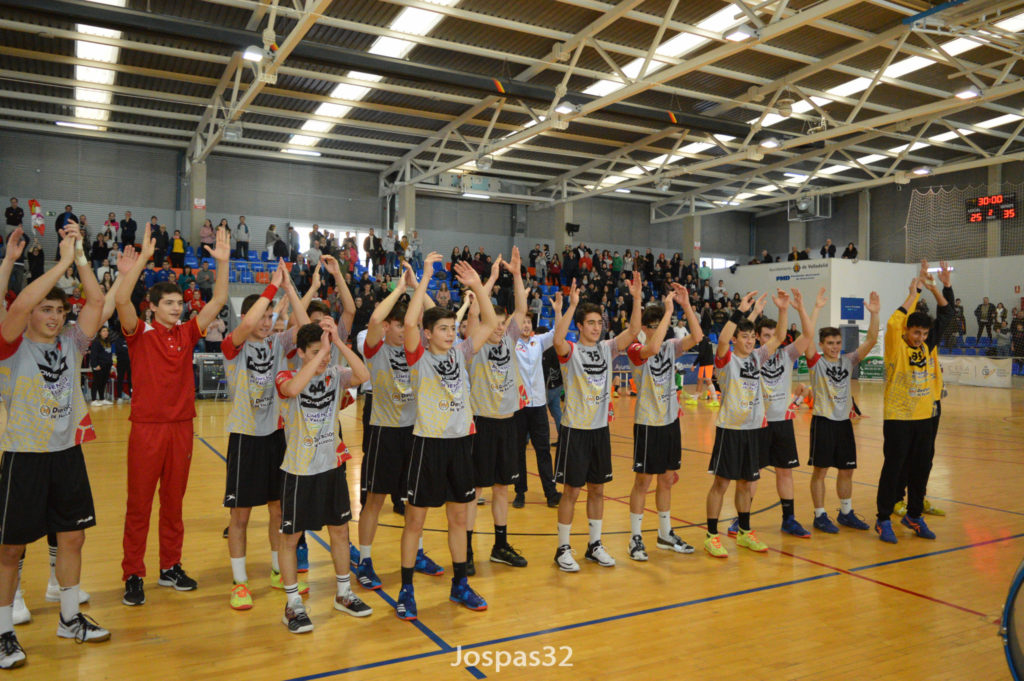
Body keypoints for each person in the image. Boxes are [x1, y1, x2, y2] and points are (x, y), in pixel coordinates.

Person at [0, 221, 109, 669]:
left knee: (73, 537)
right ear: (30, 314)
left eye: (58, 310)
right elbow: (22, 299)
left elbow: (97, 301)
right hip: (25, 457)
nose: (52, 315)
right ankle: (4, 631)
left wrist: (80, 255)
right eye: (45, 309)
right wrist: (59, 261)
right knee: (9, 549)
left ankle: (69, 618)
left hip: (66, 455)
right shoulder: (9, 346)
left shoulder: (71, 345)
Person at [116, 224, 231, 606]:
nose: (177, 307)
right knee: (139, 504)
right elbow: (121, 302)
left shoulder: (186, 333)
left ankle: (170, 566)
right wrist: (141, 263)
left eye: (179, 303)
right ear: (153, 306)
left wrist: (224, 263)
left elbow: (218, 300)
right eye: (169, 303)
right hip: (147, 430)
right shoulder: (139, 332)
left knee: (174, 502)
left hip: (182, 428)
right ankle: (133, 572)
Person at [394, 253, 496, 621]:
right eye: (444, 329)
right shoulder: (417, 356)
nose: (451, 333)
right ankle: (406, 589)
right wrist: (423, 277)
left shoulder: (462, 352)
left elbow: (491, 321)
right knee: (415, 522)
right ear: (428, 334)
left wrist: (476, 287)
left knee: (458, 520)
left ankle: (459, 584)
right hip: (427, 446)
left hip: (459, 446)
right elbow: (408, 321)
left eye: (453, 328)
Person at [274, 319, 372, 632]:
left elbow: (363, 375)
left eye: (326, 351)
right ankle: (292, 605)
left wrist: (339, 345)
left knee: (341, 532)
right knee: (290, 539)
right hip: (299, 472)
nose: (325, 357)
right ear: (300, 352)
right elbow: (292, 389)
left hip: (331, 468)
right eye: (316, 351)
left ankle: (343, 593)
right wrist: (321, 355)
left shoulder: (335, 374)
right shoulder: (286, 375)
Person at [221, 260, 308, 611]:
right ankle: (239, 583)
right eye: (261, 316)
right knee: (240, 516)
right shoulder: (234, 346)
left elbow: (304, 326)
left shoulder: (277, 344)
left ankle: (277, 571)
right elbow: (244, 324)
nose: (265, 323)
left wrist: (289, 289)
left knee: (277, 510)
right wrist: (270, 288)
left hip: (275, 437)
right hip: (245, 437)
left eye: (270, 318)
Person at [354, 262, 444, 592]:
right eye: (400, 325)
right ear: (391, 326)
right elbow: (375, 319)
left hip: (415, 432)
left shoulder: (417, 348)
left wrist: (421, 284)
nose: (407, 330)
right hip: (384, 431)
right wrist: (401, 288)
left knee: (413, 501)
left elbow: (439, 318)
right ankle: (365, 560)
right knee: (374, 500)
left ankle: (417, 553)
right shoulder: (374, 347)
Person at [552, 274, 642, 572]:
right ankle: (563, 548)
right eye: (590, 322)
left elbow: (634, 331)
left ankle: (594, 544)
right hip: (575, 430)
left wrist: (637, 298)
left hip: (599, 431)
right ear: (580, 326)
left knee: (598, 490)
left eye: (598, 322)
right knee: (571, 492)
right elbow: (557, 339)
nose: (596, 326)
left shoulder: (607, 348)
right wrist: (571, 306)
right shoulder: (571, 351)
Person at [727, 287, 823, 540]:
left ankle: (788, 519)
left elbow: (809, 334)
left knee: (785, 471)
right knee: (750, 476)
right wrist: (753, 312)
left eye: (775, 335)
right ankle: (741, 519)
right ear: (758, 337)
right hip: (756, 423)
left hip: (782, 422)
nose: (773, 338)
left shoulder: (788, 354)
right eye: (767, 335)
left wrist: (798, 307)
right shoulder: (753, 357)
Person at [703, 290, 788, 558]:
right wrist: (740, 311)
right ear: (736, 340)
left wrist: (783, 309)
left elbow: (780, 338)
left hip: (753, 430)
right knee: (721, 484)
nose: (751, 341)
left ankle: (744, 532)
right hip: (730, 429)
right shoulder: (726, 360)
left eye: (753, 337)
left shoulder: (757, 357)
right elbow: (724, 338)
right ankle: (711, 535)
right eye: (746, 337)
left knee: (745, 483)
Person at [464, 249, 530, 575]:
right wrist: (486, 281)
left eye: (504, 323)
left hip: (508, 423)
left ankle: (500, 545)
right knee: (476, 490)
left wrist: (516, 273)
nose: (501, 327)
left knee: (503, 487)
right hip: (481, 423)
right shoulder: (475, 342)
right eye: (497, 322)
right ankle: (465, 549)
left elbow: (521, 308)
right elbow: (477, 310)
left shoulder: (509, 338)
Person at [625, 285, 702, 561]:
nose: (660, 329)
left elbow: (698, 336)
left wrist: (686, 305)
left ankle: (665, 533)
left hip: (670, 421)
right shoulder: (636, 348)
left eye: (662, 324)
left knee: (667, 480)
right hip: (648, 422)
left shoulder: (671, 347)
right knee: (643, 482)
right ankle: (635, 537)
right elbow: (653, 346)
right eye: (654, 324)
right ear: (644, 327)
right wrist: (668, 311)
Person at [874, 271, 946, 543]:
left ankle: (914, 516)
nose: (920, 337)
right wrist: (914, 292)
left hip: (924, 417)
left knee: (921, 469)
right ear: (906, 330)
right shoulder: (896, 346)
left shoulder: (927, 346)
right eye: (916, 332)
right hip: (898, 418)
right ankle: (882, 520)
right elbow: (894, 321)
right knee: (894, 468)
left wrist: (940, 288)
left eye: (924, 333)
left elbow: (946, 315)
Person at [804, 291, 879, 534]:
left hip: (844, 423)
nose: (835, 347)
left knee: (847, 469)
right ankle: (820, 515)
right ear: (822, 344)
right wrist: (815, 308)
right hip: (823, 422)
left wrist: (875, 314)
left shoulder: (848, 361)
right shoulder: (816, 362)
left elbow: (870, 341)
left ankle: (846, 513)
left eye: (837, 343)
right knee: (821, 470)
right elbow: (806, 337)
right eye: (830, 343)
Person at [511, 304, 560, 510]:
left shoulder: (537, 342)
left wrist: (558, 311)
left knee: (543, 450)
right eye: (522, 321)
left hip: (539, 404)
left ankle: (551, 492)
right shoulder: (511, 343)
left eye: (528, 322)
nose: (525, 324)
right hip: (519, 406)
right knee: (518, 451)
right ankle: (520, 492)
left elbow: (557, 332)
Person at [89, 325, 115, 405]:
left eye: (107, 331)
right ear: (99, 333)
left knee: (103, 383)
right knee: (96, 382)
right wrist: (95, 365)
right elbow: (93, 355)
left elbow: (109, 354)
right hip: (98, 366)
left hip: (107, 365)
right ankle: (93, 400)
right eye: (103, 331)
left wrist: (111, 364)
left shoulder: (108, 342)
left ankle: (102, 398)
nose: (106, 332)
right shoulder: (96, 342)